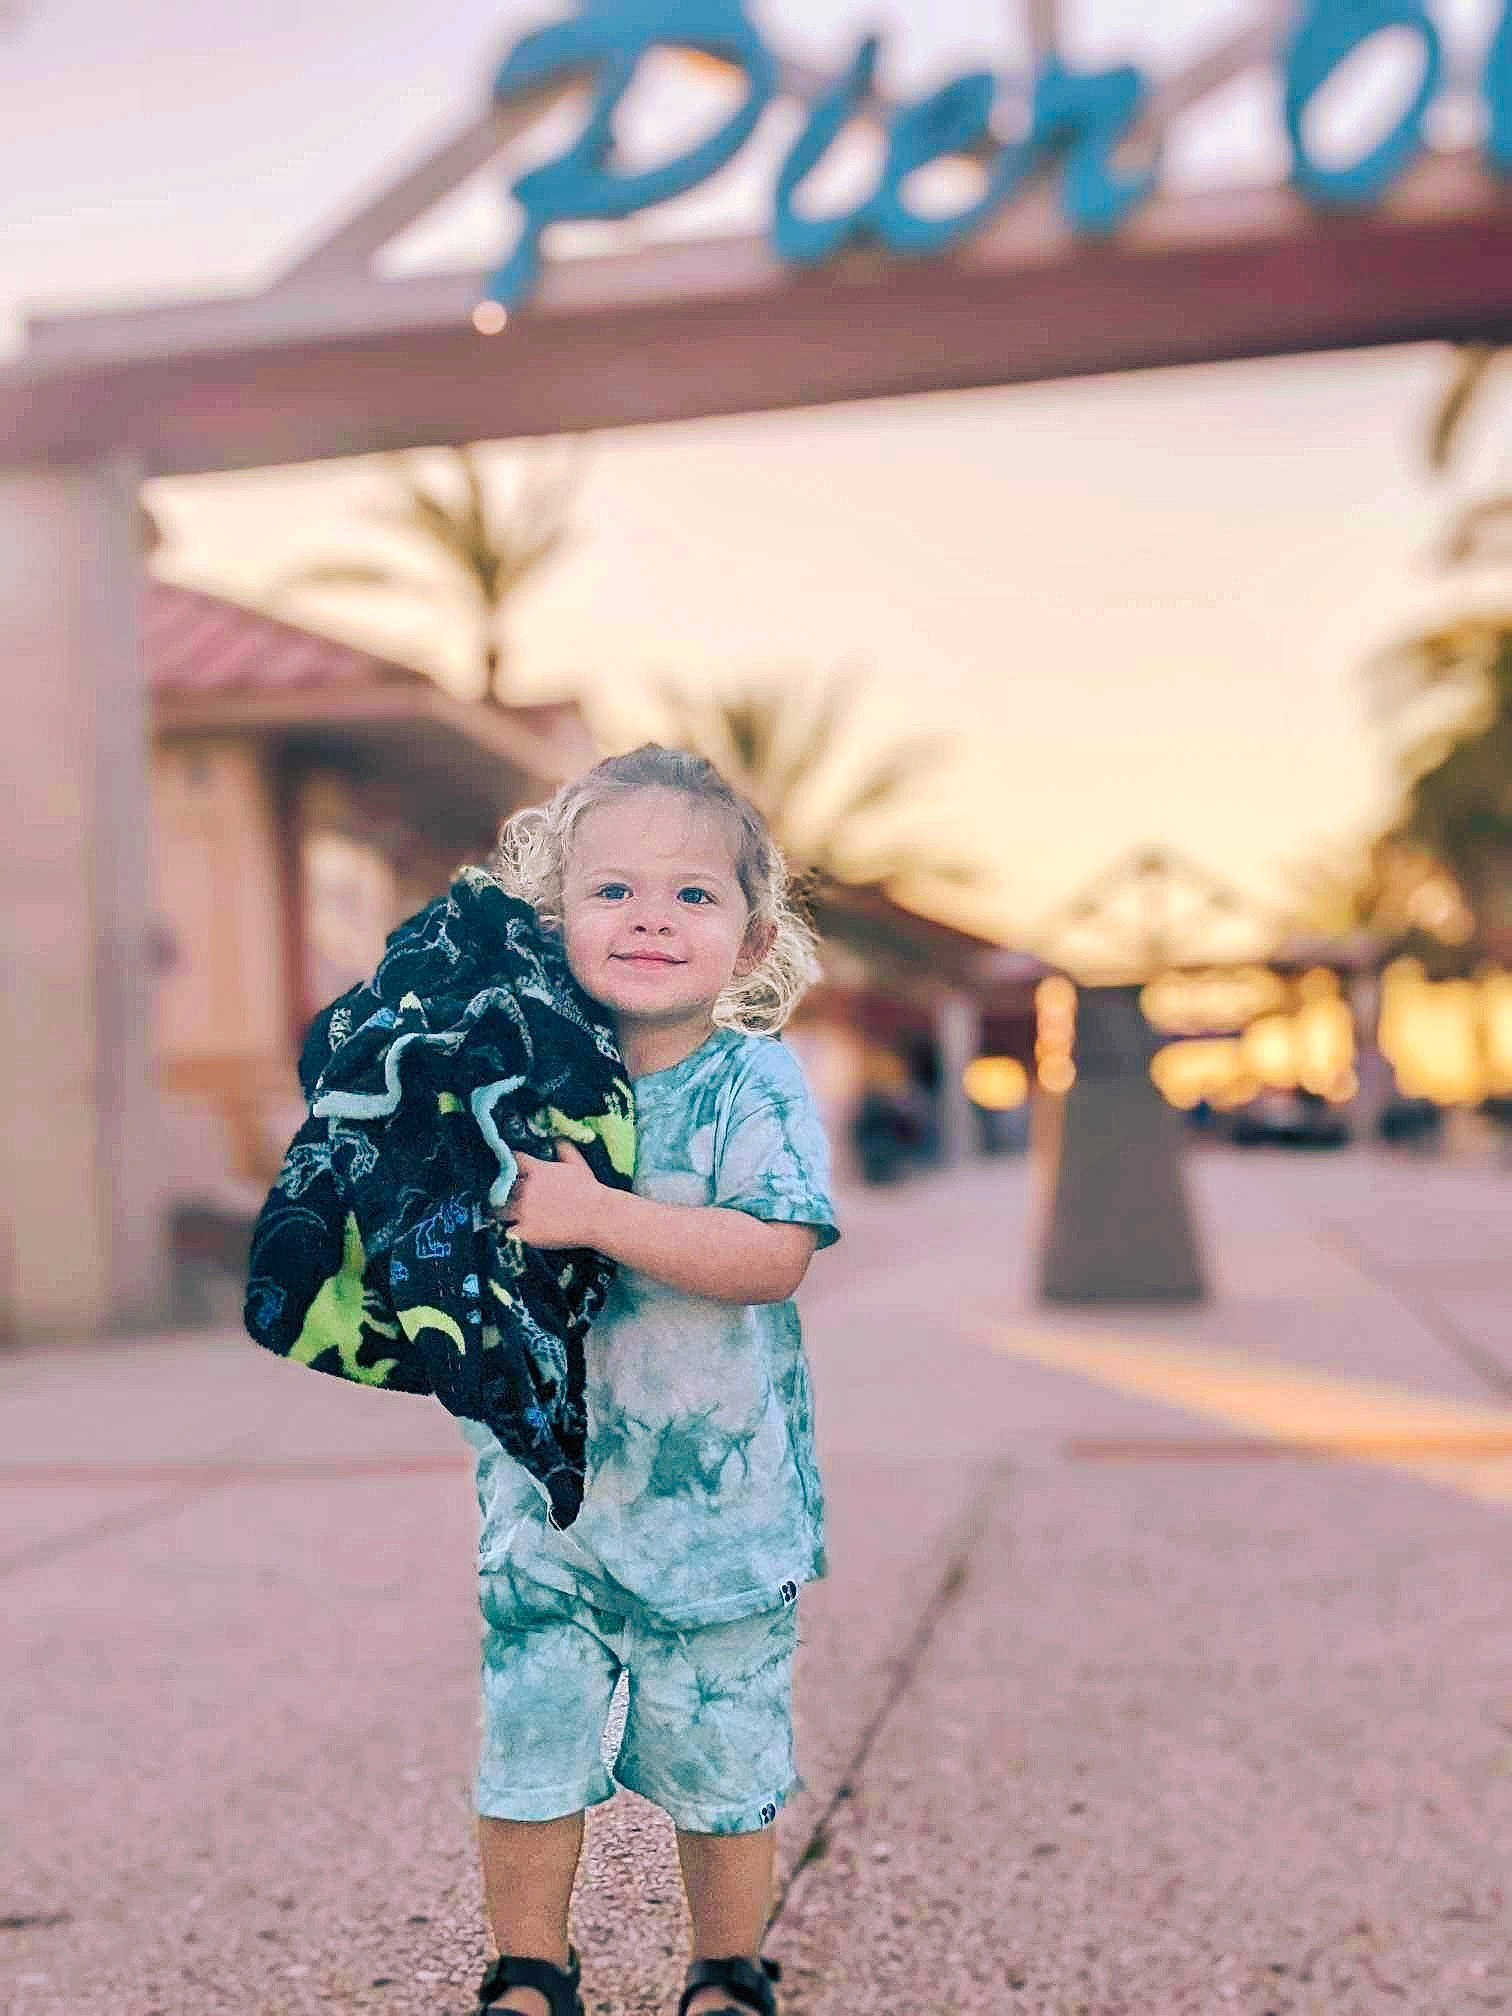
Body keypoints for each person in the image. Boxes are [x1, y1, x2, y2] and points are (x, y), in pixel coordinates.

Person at [460, 744, 840, 2016]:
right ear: (554, 919)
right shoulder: (513, 1088)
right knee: (528, 1750)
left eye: (693, 894)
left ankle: (727, 1969)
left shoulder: (752, 1082)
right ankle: (529, 1967)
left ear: (751, 936)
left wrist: (595, 1213)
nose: (651, 919)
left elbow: (772, 1257)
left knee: (723, 1759)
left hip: (717, 1520)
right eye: (612, 891)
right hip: (547, 1504)